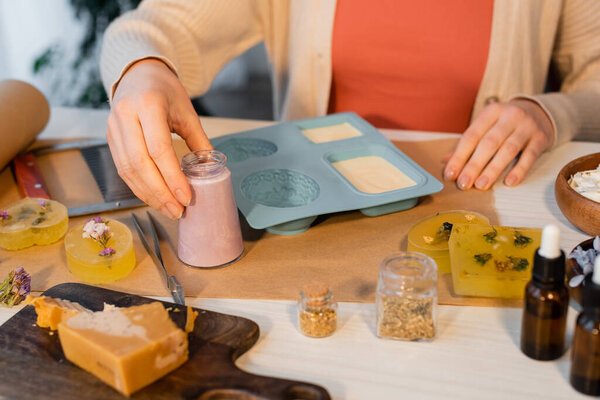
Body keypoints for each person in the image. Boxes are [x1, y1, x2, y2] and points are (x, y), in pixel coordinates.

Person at [100, 0, 600, 220]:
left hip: (482, 203)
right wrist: (143, 67)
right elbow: (162, 23)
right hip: (310, 213)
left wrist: (551, 112)